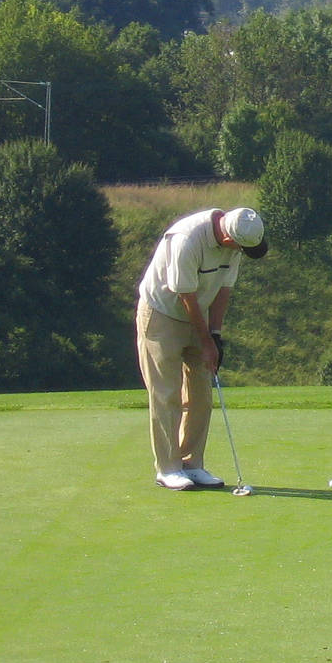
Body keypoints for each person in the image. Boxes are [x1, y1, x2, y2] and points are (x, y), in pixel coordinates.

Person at [135, 207, 268, 490]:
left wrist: (216, 336)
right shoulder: (187, 239)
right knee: (167, 393)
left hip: (199, 314)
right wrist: (205, 342)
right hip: (162, 314)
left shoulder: (235, 245)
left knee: (201, 395)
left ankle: (192, 464)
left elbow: (223, 290)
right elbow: (186, 295)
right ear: (230, 239)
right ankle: (168, 469)